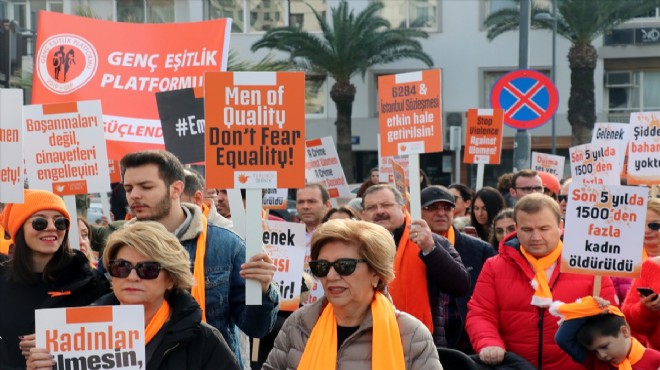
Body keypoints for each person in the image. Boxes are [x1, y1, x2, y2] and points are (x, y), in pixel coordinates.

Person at [119, 150, 279, 363]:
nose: (134, 195)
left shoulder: (227, 244)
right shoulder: (118, 247)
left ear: (176, 189)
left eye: (146, 187)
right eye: (128, 188)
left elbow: (256, 327)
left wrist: (263, 290)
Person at [26, 222, 241, 370]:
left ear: (171, 279)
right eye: (122, 267)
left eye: (148, 269)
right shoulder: (74, 335)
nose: (132, 277)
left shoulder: (203, 340)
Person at [262, 219, 442, 369]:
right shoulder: (299, 324)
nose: (331, 276)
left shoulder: (411, 334)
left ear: (376, 272)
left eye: (344, 266)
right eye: (322, 267)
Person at [466, 193, 615, 370]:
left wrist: (604, 313)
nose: (536, 237)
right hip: (514, 365)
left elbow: (612, 318)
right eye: (527, 230)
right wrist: (488, 342)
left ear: (560, 226)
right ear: (516, 228)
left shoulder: (589, 266)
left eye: (544, 229)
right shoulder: (494, 266)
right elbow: (481, 313)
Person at [0, 189, 110, 368]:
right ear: (19, 229)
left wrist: (60, 343)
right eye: (39, 222)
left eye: (60, 222)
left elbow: (110, 344)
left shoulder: (90, 283)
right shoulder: (2, 281)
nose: (51, 227)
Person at [361, 184, 469, 347]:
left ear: (403, 208)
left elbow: (460, 285)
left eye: (386, 205)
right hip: (368, 340)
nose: (379, 211)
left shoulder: (431, 241)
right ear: (363, 214)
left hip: (421, 344)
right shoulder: (354, 247)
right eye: (371, 207)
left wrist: (430, 250)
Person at [420, 185, 496, 353]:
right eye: (432, 208)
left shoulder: (480, 250)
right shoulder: (406, 250)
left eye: (447, 207)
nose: (441, 213)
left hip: (468, 342)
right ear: (418, 211)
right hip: (424, 340)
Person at [552, 296, 660, 370]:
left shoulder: (656, 360)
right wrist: (589, 307)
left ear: (625, 331)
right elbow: (562, 339)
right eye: (595, 351)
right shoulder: (597, 362)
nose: (602, 355)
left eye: (604, 346)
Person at [622, 198, 660, 350]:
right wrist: (646, 308)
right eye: (640, 225)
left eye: (654, 225)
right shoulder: (618, 257)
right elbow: (628, 315)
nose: (646, 231)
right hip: (639, 351)